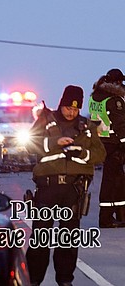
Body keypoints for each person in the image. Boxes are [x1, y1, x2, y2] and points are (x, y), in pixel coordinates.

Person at [26, 85, 105, 286]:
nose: (72, 112)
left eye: (76, 109)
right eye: (69, 107)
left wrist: (82, 153)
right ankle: (33, 280)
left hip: (73, 190)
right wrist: (55, 142)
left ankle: (64, 280)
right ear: (62, 104)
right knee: (41, 237)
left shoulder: (86, 127)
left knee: (68, 239)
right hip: (47, 188)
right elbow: (29, 145)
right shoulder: (45, 120)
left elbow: (100, 153)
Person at [88, 68, 125, 227]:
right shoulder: (114, 100)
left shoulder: (94, 97)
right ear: (116, 82)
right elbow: (120, 125)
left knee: (115, 180)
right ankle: (107, 218)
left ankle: (117, 216)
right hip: (114, 145)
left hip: (101, 144)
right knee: (113, 182)